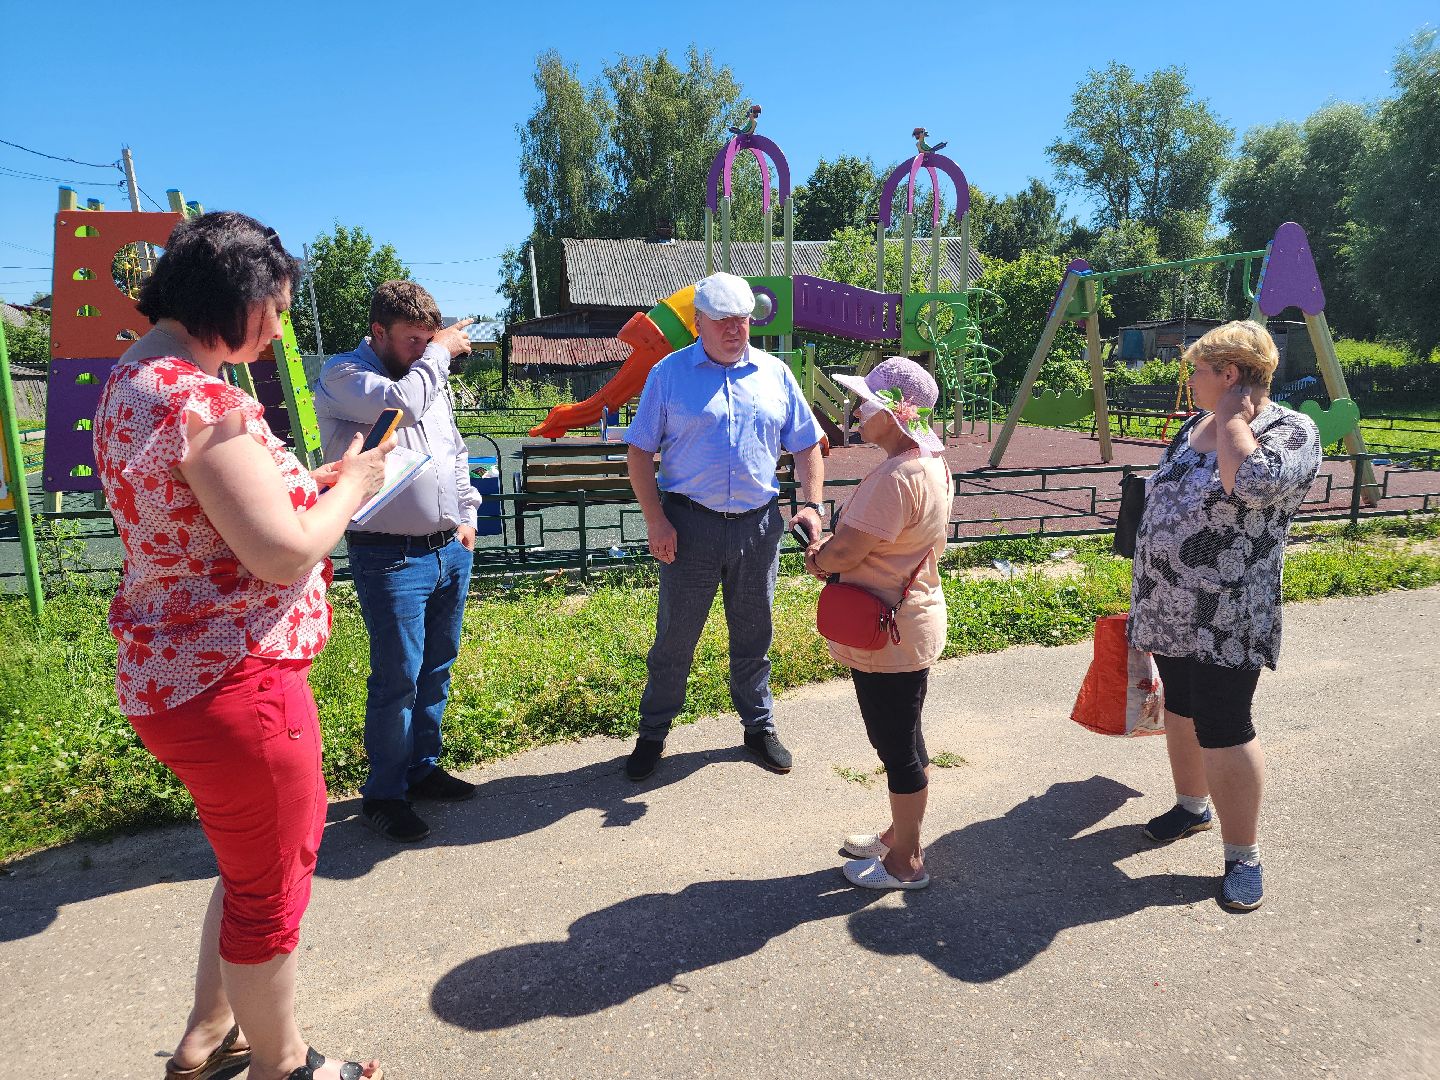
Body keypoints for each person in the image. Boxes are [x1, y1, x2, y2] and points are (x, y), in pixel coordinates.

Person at [93, 211, 387, 1080]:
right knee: (271, 889)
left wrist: (309, 482)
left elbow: (218, 509)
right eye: (277, 311)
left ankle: (209, 1033)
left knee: (245, 862)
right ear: (239, 300)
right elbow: (282, 550)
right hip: (236, 680)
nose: (280, 328)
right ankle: (285, 1065)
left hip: (171, 669)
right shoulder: (206, 402)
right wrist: (359, 484)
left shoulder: (136, 379)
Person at [1127, 320, 1322, 911]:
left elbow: (1254, 486)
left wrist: (1237, 419)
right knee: (1181, 709)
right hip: (1168, 601)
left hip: (1228, 612)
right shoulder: (1193, 427)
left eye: (1198, 370)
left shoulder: (1290, 430)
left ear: (1230, 374)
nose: (1189, 380)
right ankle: (1192, 807)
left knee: (1224, 723)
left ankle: (1243, 854)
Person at [624, 272, 826, 781]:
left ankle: (758, 727)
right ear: (699, 324)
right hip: (689, 526)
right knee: (675, 637)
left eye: (743, 320)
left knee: (755, 632)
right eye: (724, 321)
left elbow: (806, 444)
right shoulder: (668, 375)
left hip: (759, 527)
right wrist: (656, 521)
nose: (736, 330)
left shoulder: (775, 374)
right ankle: (653, 734)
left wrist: (812, 505)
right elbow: (639, 451)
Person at [312, 282, 481, 843]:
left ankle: (421, 768)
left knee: (436, 669)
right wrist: (439, 353)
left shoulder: (425, 377)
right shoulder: (344, 376)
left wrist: (467, 516)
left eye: (426, 341)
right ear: (378, 333)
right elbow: (401, 403)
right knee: (398, 679)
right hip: (388, 555)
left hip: (446, 549)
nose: (421, 350)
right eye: (411, 341)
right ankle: (384, 794)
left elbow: (452, 450)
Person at [804, 358, 954, 891]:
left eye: (865, 403)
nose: (856, 410)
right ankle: (900, 833)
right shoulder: (932, 461)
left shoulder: (897, 476)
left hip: (888, 627)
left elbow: (847, 550)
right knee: (906, 735)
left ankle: (906, 862)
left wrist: (819, 558)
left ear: (893, 413)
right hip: (910, 615)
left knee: (897, 747)